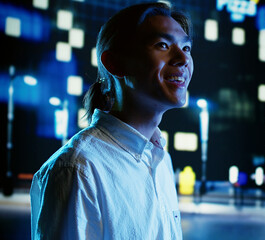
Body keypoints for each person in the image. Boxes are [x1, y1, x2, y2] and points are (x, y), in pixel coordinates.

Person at [30, 2, 193, 239]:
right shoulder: (78, 168)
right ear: (115, 63)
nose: (182, 59)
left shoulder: (160, 158)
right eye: (163, 45)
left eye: (187, 48)